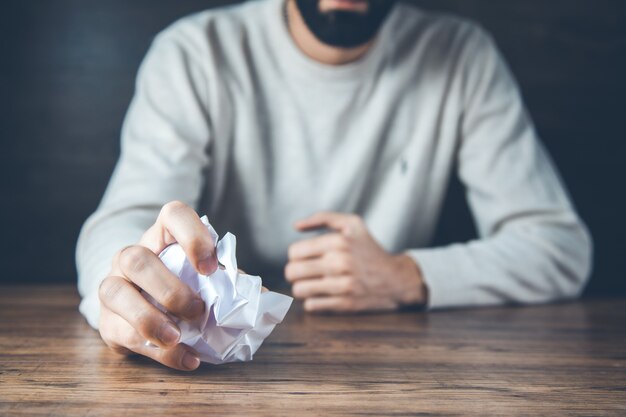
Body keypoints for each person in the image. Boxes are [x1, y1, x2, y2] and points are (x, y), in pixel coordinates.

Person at [76, 0, 593, 371]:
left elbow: (559, 247)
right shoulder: (193, 54)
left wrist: (405, 275)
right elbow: (129, 214)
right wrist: (125, 288)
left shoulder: (461, 56)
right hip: (229, 382)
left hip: (395, 372)